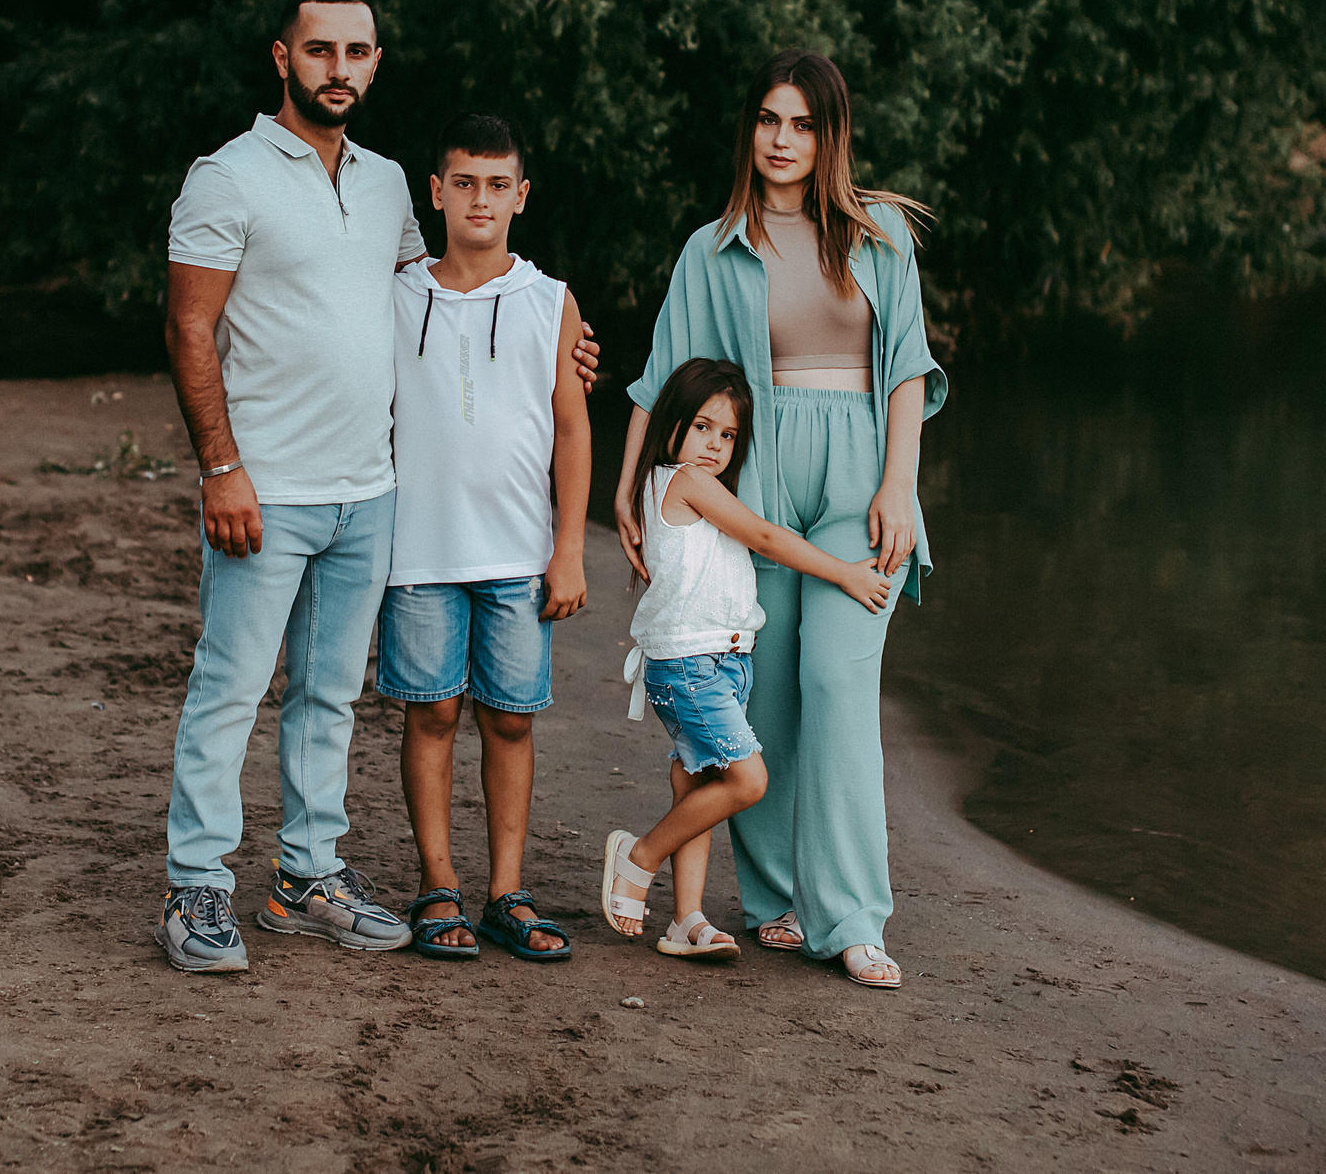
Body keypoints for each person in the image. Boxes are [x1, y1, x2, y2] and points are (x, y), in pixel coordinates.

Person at [156, 0, 600, 974]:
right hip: (265, 487)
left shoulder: (390, 182)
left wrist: (560, 350)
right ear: (284, 58)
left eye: (356, 51)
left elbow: (429, 298)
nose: (339, 68)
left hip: (370, 494)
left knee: (328, 698)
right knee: (230, 688)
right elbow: (189, 325)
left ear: (375, 63)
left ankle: (306, 877)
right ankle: (196, 886)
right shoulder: (226, 177)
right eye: (320, 49)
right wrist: (221, 467)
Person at [611, 49, 943, 990]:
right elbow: (660, 379)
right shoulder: (712, 248)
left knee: (838, 679)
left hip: (858, 477)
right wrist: (628, 491)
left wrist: (898, 484)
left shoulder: (880, 234)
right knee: (764, 692)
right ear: (750, 130)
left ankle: (854, 917)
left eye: (802, 123)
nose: (782, 139)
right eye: (768, 119)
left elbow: (908, 367)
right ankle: (774, 899)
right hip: (754, 485)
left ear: (830, 134)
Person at [379, 114, 589, 963]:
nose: (480, 199)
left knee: (509, 720)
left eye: (498, 185)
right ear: (436, 191)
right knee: (431, 711)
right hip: (420, 549)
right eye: (464, 182)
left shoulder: (550, 299)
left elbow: (571, 430)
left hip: (518, 553)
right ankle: (438, 883)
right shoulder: (396, 294)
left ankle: (506, 891)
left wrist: (569, 548)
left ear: (521, 196)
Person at [599, 358, 894, 961]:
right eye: (702, 427)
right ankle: (639, 856)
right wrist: (843, 573)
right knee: (747, 779)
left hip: (721, 661)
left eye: (729, 435)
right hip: (692, 665)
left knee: (700, 780)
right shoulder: (685, 480)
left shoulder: (679, 485)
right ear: (672, 423)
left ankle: (687, 921)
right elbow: (765, 537)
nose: (715, 445)